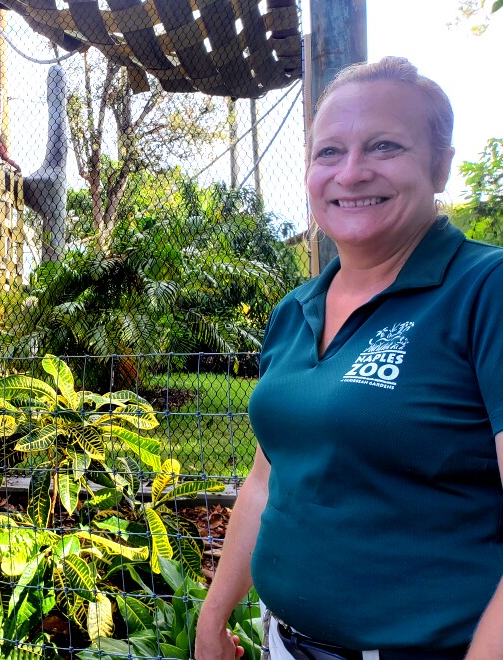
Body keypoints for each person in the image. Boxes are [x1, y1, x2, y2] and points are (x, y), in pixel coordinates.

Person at [194, 56, 503, 660]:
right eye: (329, 152)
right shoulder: (295, 310)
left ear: (441, 165)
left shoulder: (484, 291)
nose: (352, 172)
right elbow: (266, 479)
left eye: (385, 146)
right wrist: (212, 616)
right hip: (283, 641)